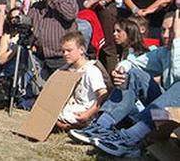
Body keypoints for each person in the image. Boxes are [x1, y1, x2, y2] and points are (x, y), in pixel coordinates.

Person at [69, 12, 180, 158]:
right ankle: (102, 127)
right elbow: (132, 63)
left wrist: (178, 40)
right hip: (165, 110)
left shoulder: (175, 46)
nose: (166, 35)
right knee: (133, 74)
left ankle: (130, 139)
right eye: (163, 30)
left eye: (171, 31)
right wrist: (121, 69)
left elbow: (178, 74)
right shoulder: (164, 52)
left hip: (175, 113)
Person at [27, 0, 79, 78]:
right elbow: (25, 23)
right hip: (42, 58)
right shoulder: (37, 6)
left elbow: (69, 15)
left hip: (63, 57)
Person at [56, 31, 108, 130]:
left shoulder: (91, 70)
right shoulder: (66, 69)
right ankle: (62, 125)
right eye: (63, 51)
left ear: (81, 49)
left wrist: (87, 114)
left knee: (66, 115)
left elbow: (103, 94)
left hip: (85, 109)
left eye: (69, 50)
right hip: (71, 105)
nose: (65, 54)